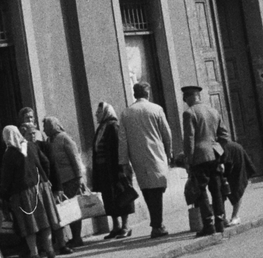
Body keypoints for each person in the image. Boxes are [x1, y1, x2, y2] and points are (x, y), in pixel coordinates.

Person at [0, 125, 64, 258]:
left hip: (22, 193)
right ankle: (50, 250)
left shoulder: (9, 154)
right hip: (40, 188)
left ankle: (34, 253)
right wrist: (44, 178)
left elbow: (6, 178)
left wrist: (3, 194)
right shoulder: (32, 146)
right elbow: (45, 162)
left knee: (29, 224)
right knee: (45, 221)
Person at [118, 81, 173, 239]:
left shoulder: (126, 113)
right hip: (156, 155)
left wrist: (123, 162)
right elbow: (166, 134)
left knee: (148, 190)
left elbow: (122, 140)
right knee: (157, 189)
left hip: (138, 158)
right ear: (147, 93)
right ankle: (157, 225)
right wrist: (169, 153)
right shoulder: (156, 109)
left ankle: (157, 223)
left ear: (135, 94)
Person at [179, 85, 227, 236]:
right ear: (198, 96)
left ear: (187, 98)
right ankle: (220, 222)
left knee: (201, 192)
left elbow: (189, 139)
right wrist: (220, 151)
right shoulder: (213, 110)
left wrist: (188, 160)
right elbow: (224, 136)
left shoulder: (189, 113)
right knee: (216, 189)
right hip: (214, 154)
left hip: (199, 157)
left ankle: (208, 224)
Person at [89, 100, 135, 240]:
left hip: (115, 169)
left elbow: (119, 149)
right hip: (104, 170)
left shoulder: (113, 127)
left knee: (121, 196)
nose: (96, 115)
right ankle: (116, 227)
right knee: (109, 198)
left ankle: (125, 226)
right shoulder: (100, 128)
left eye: (99, 112)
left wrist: (121, 168)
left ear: (106, 113)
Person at [42, 116, 86, 248]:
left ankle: (77, 237)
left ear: (53, 126)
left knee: (72, 209)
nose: (44, 129)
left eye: (46, 126)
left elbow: (75, 158)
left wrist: (80, 178)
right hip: (58, 182)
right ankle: (66, 238)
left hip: (70, 179)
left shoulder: (64, 138)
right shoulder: (49, 140)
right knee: (62, 210)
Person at [217, 126, 256, 226]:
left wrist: (223, 173)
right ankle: (223, 218)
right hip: (229, 158)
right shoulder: (218, 145)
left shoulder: (223, 146)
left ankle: (235, 216)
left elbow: (224, 163)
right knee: (221, 189)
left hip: (236, 157)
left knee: (237, 187)